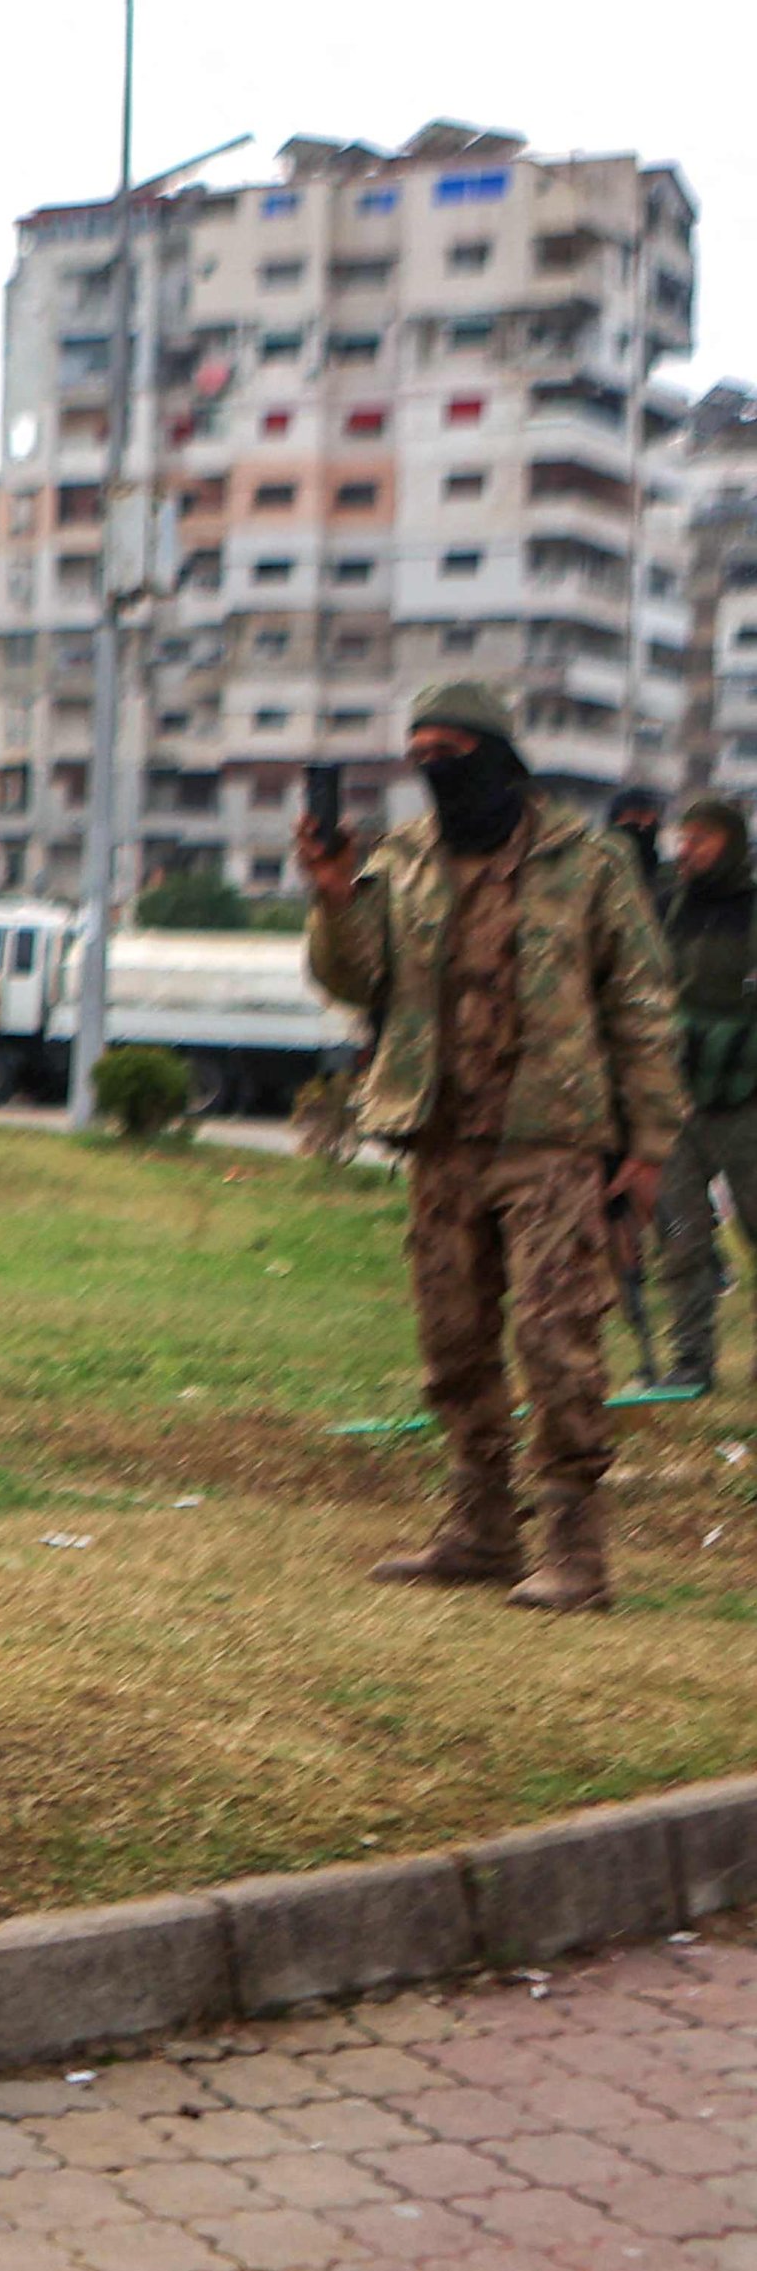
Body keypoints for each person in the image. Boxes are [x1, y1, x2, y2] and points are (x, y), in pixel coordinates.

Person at [298, 682, 681, 1610]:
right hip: (439, 1137)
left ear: (500, 760)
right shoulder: (404, 859)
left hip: (552, 1136)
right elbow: (356, 981)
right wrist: (331, 898)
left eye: (452, 751)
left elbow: (640, 1006)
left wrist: (649, 1144)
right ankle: (479, 1532)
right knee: (453, 1344)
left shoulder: (583, 861)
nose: (435, 768)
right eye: (419, 753)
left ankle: (574, 1552)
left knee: (556, 1339)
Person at [652, 799, 755, 1391]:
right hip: (678, 1094)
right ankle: (691, 1362)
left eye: (702, 839)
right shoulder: (668, 907)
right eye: (683, 838)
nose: (687, 850)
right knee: (681, 1234)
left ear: (731, 842)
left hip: (747, 1095)